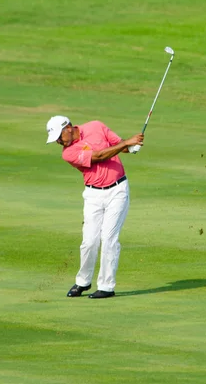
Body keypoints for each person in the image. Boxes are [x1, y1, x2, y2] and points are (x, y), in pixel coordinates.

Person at [45, 115, 144, 299]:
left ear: (68, 127)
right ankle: (83, 281)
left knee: (108, 238)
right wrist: (126, 144)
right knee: (89, 241)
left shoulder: (96, 126)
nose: (58, 141)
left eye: (59, 137)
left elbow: (119, 144)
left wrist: (131, 146)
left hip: (118, 190)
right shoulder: (68, 153)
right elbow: (99, 156)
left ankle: (106, 286)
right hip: (93, 195)